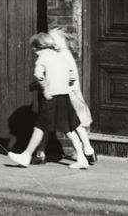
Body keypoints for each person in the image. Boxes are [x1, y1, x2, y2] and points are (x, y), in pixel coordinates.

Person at [8, 32, 90, 170]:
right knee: (69, 129)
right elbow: (71, 76)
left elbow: (38, 75)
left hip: (51, 98)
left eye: (34, 48)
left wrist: (46, 89)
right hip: (64, 96)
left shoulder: (42, 58)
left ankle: (26, 156)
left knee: (39, 127)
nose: (34, 51)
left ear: (39, 47)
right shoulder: (61, 57)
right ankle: (82, 157)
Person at [31, 28, 96, 165]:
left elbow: (67, 77)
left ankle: (85, 151)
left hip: (64, 93)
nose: (51, 42)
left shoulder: (61, 55)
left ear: (61, 40)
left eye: (54, 39)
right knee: (67, 124)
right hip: (66, 92)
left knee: (68, 125)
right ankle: (87, 151)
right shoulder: (61, 54)